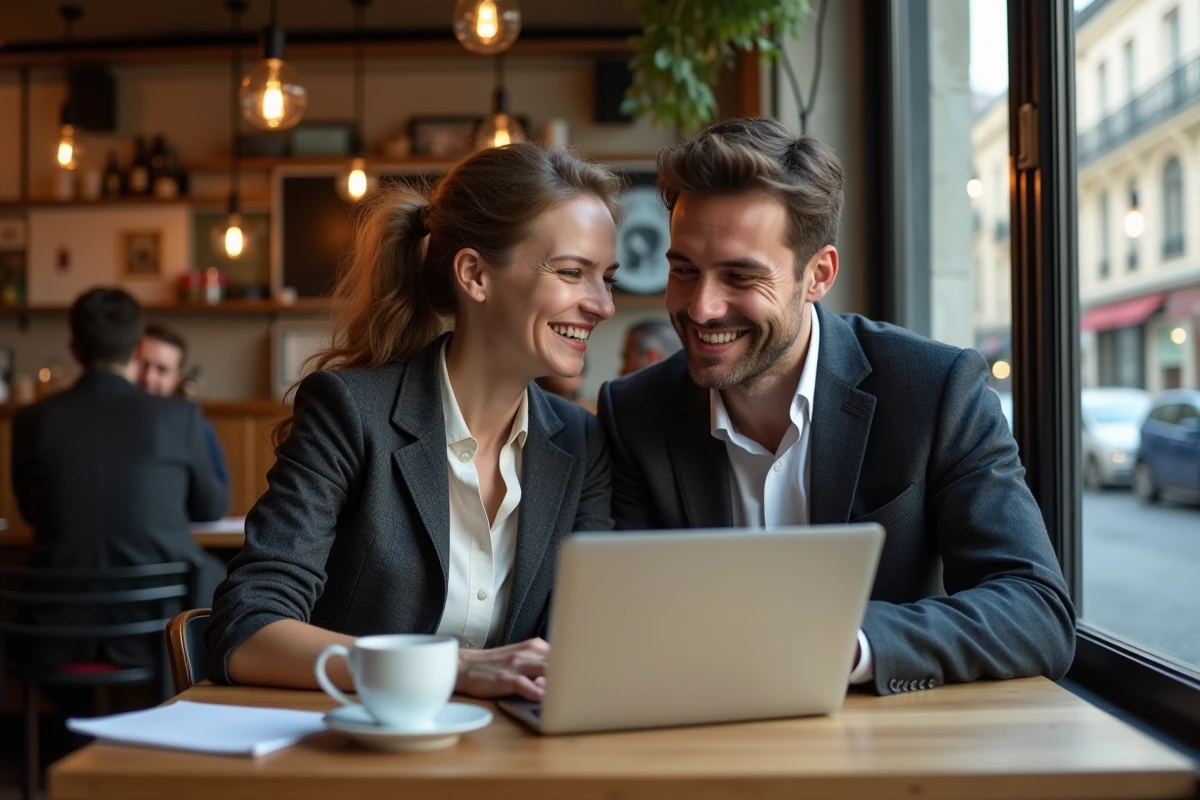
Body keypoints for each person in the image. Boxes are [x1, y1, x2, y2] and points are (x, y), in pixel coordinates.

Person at [598, 118, 1075, 695]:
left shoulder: (934, 389)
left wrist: (847, 644)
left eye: (740, 276)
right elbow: (624, 617)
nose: (701, 308)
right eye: (684, 271)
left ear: (817, 274)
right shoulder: (633, 412)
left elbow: (1037, 610)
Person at [206, 143, 622, 702]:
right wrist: (457, 669)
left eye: (607, 279)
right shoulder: (350, 412)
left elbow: (585, 638)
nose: (602, 305)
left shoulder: (581, 440)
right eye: (573, 272)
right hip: (352, 753)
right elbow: (248, 629)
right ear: (475, 274)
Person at [11, 287, 229, 669]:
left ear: (74, 349)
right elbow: (211, 507)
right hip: (159, 633)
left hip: (55, 631)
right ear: (136, 349)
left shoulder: (31, 421)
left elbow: (32, 514)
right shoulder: (179, 417)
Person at [138, 323, 229, 487]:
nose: (148, 377)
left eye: (161, 370)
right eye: (143, 365)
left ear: (177, 378)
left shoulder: (195, 426)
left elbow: (217, 496)